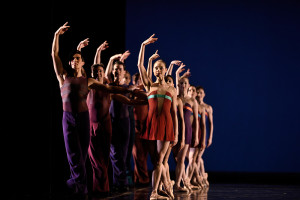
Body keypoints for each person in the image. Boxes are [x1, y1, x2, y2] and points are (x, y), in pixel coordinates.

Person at [137, 34, 178, 200]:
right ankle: (161, 189)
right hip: (152, 124)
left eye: (160, 67)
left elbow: (174, 113)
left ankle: (155, 192)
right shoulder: (150, 85)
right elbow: (140, 64)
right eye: (155, 68)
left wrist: (176, 135)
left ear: (165, 69)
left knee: (160, 160)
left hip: (166, 125)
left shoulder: (171, 90)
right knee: (156, 162)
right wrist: (143, 45)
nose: (157, 70)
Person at [176, 64, 199, 192]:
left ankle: (178, 184)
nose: (183, 85)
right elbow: (174, 82)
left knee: (180, 159)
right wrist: (178, 74)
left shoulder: (192, 101)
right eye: (181, 83)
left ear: (188, 86)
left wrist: (196, 136)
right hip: (175, 131)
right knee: (173, 158)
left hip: (187, 132)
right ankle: (182, 182)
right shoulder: (176, 97)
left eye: (185, 83)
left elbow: (196, 120)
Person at [196, 86, 214, 187]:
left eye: (200, 93)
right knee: (196, 158)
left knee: (198, 157)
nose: (198, 94)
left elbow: (210, 123)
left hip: (203, 134)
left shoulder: (207, 108)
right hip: (195, 133)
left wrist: (210, 137)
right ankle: (203, 175)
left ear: (204, 94)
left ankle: (197, 178)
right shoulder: (193, 105)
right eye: (197, 92)